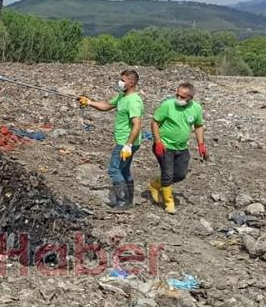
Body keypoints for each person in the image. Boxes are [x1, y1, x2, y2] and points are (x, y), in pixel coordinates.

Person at [78, 69, 144, 209]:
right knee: (124, 170)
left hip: (126, 143)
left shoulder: (134, 101)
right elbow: (107, 106)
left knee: (114, 170)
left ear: (131, 83)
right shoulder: (122, 96)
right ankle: (129, 201)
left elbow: (137, 125)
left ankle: (122, 202)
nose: (120, 82)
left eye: (123, 80)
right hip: (125, 142)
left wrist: (128, 145)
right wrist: (89, 102)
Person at [149, 82, 208, 214]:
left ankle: (156, 184)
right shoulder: (167, 105)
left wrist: (201, 144)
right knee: (168, 173)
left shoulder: (196, 108)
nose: (178, 99)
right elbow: (155, 122)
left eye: (182, 97)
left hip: (181, 148)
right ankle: (169, 202)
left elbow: (198, 126)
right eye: (177, 95)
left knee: (180, 174)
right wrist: (158, 141)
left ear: (190, 98)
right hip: (165, 146)